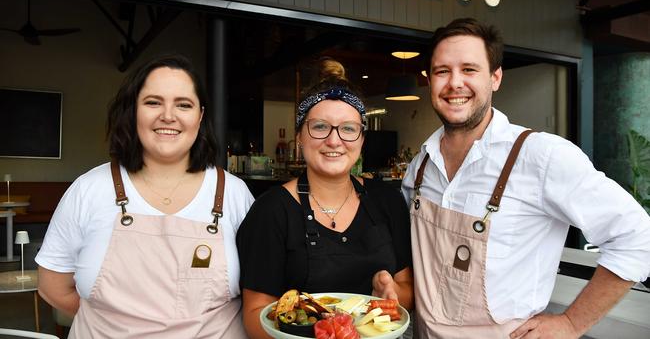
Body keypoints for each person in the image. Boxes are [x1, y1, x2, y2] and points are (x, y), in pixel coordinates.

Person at [401, 17, 650, 339]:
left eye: (469, 69)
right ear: (429, 80)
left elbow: (638, 238)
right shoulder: (420, 166)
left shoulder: (542, 156)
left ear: (495, 78)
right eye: (442, 71)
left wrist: (572, 322)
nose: (455, 83)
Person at [36, 54, 254, 338]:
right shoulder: (89, 189)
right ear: (133, 110)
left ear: (200, 116)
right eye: (153, 102)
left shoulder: (234, 194)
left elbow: (259, 294)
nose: (168, 115)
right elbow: (52, 286)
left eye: (183, 105)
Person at [237, 59, 414, 339]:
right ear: (299, 137)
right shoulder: (271, 211)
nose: (334, 141)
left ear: (361, 139)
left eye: (348, 128)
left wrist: (390, 296)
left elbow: (406, 288)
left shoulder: (387, 201)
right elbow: (254, 314)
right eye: (320, 127)